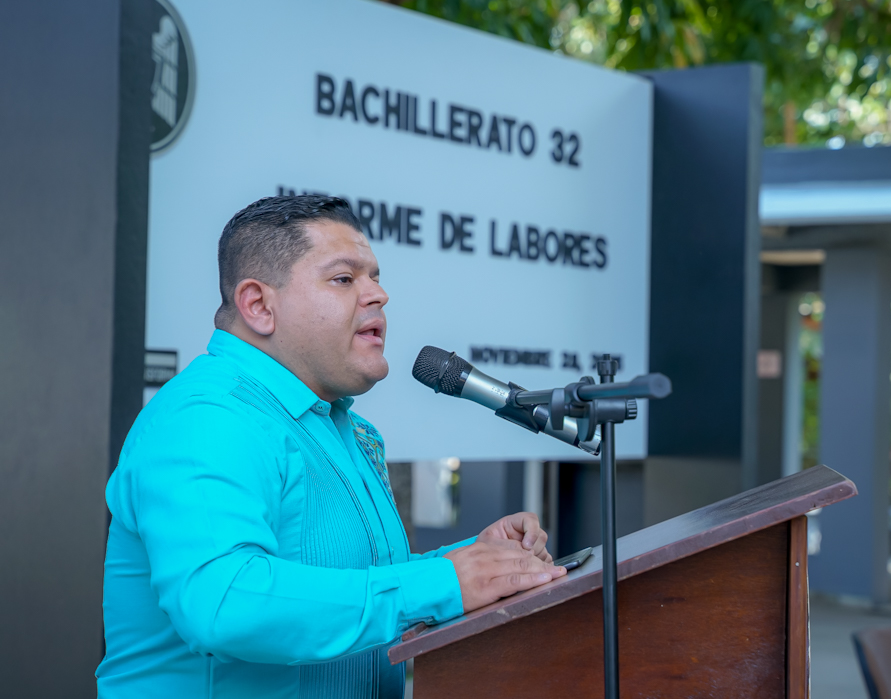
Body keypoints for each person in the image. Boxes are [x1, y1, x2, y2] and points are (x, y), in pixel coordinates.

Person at [96, 195, 566, 698]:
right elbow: (224, 603)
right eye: (344, 279)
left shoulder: (344, 425)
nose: (379, 295)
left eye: (376, 277)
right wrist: (443, 583)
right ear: (259, 305)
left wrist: (476, 560)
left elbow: (356, 584)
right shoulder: (208, 417)